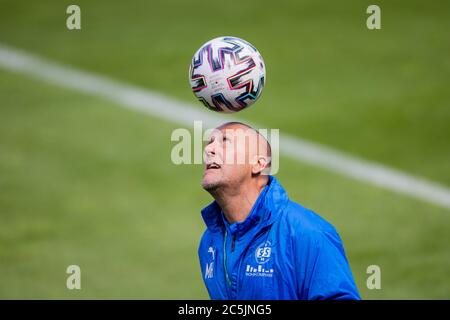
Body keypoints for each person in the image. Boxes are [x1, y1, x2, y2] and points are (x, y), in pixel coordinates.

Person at [198, 121, 360, 300]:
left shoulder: (306, 233)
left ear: (259, 164)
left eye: (225, 141)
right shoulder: (210, 243)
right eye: (210, 142)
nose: (209, 150)